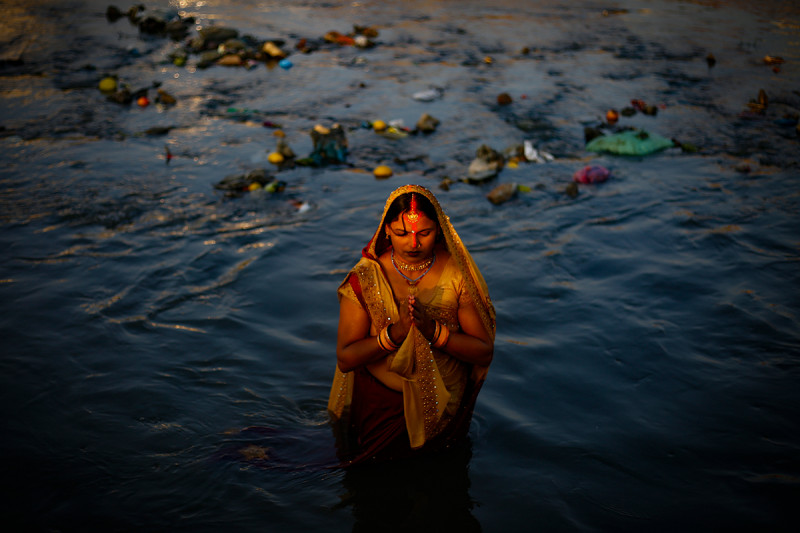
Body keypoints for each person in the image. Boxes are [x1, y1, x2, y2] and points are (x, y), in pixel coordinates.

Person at [328, 184, 496, 466]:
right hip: (381, 410)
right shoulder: (367, 278)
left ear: (440, 231)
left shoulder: (457, 275)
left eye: (424, 233)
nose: (413, 244)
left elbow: (483, 352)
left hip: (445, 412)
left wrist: (434, 332)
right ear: (387, 231)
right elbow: (346, 359)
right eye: (402, 233)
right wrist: (396, 334)